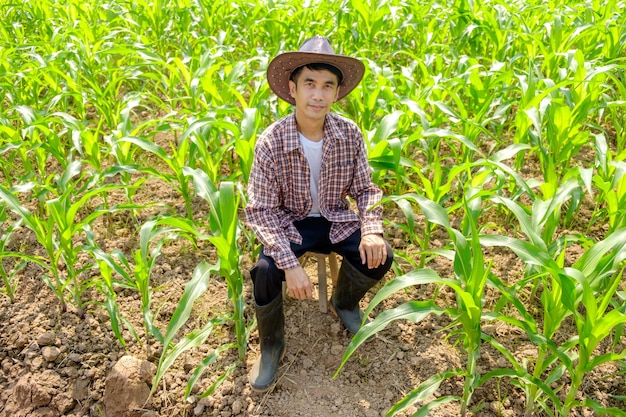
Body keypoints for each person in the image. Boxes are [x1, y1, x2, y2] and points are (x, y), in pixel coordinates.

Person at [244, 35, 394, 393]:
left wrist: (371, 229)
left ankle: (344, 302)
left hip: (334, 219)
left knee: (381, 255)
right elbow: (261, 212)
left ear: (337, 93)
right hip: (290, 224)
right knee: (265, 273)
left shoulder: (349, 134)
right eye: (309, 84)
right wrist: (290, 266)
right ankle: (272, 345)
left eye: (328, 86)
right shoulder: (271, 141)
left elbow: (365, 189)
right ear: (292, 88)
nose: (318, 95)